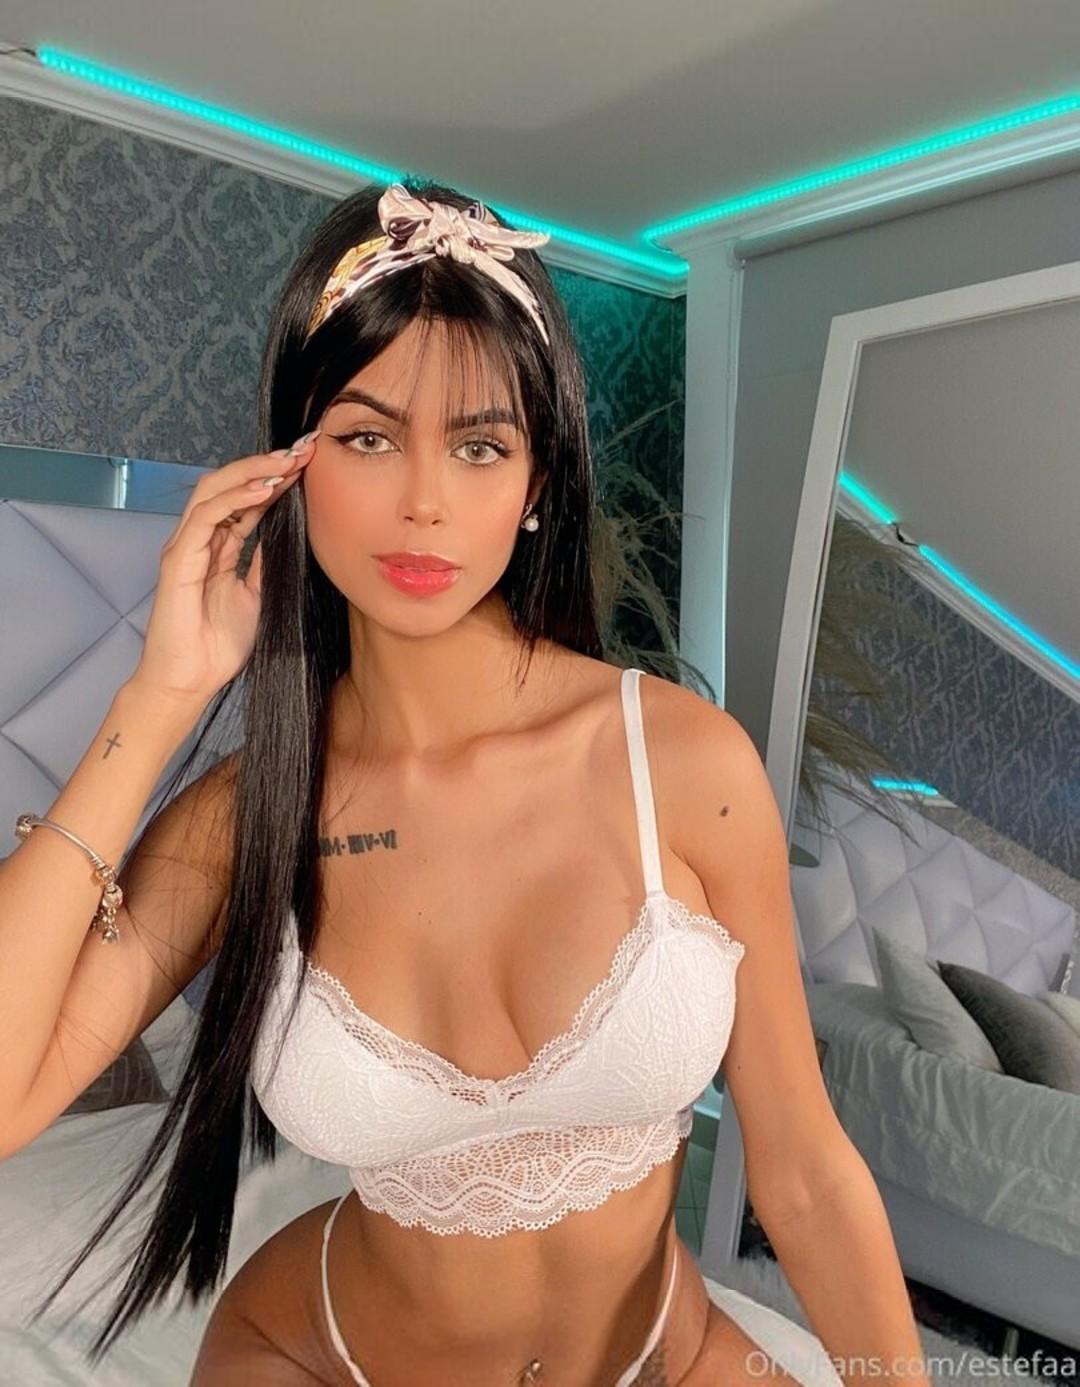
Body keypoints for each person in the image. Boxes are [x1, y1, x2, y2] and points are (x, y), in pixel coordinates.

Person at [3, 180, 929, 1385]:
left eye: (480, 445)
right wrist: (160, 696)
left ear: (537, 483)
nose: (425, 502)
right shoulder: (246, 816)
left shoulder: (684, 764)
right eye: (368, 437)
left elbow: (802, 1173)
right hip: (320, 1356)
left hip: (667, 1348)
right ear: (291, 461)